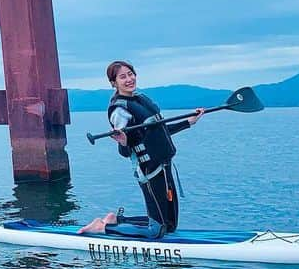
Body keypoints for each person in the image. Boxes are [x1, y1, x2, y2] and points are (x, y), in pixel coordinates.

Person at [78, 60, 204, 237]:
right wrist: (123, 142)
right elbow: (125, 151)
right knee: (156, 231)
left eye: (131, 74)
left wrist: (189, 122)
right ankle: (103, 228)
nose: (129, 79)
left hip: (165, 164)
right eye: (123, 77)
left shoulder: (141, 99)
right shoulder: (119, 110)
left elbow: (159, 132)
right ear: (114, 83)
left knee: (170, 225)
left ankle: (117, 220)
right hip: (149, 170)